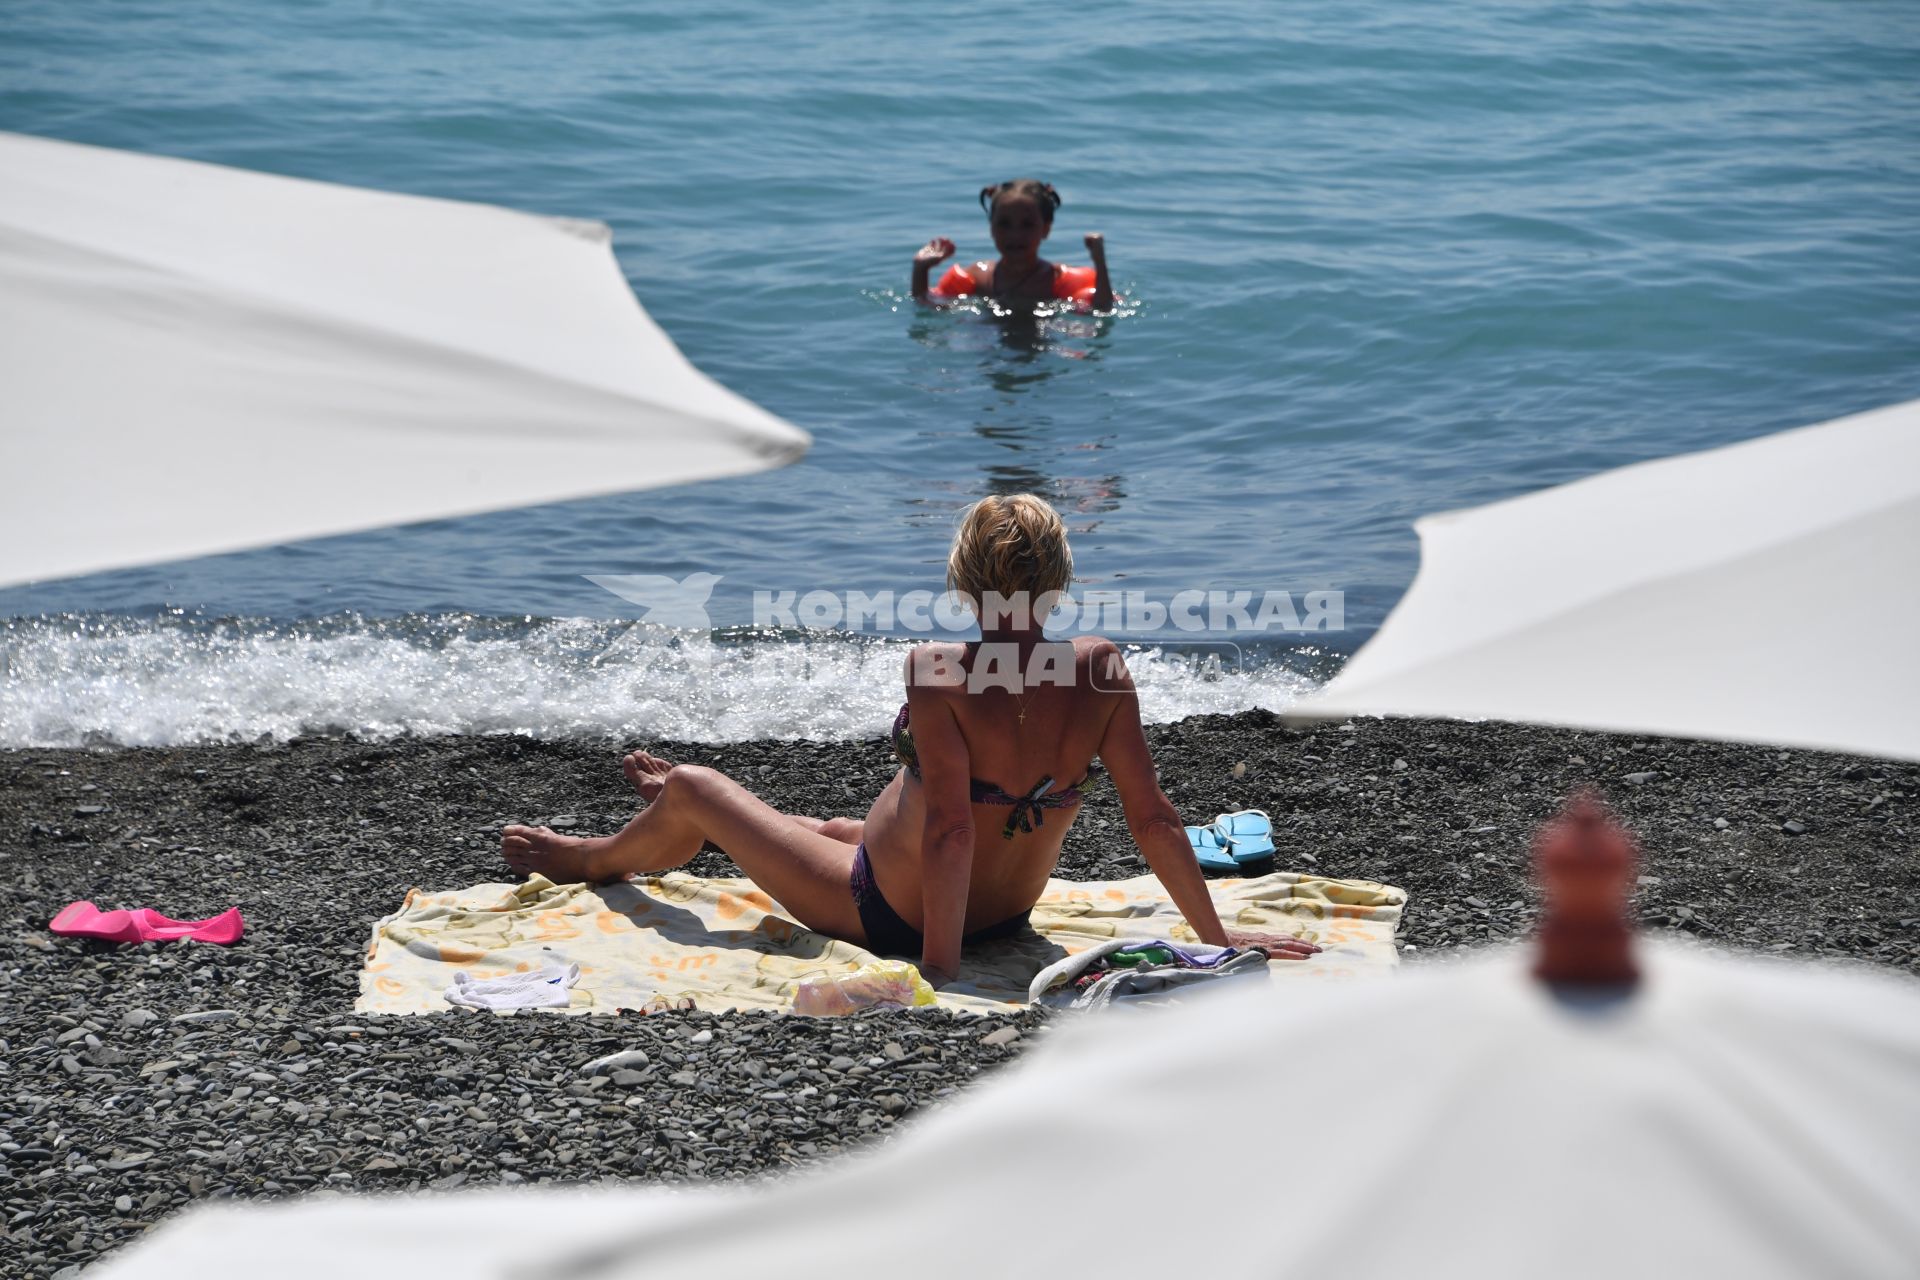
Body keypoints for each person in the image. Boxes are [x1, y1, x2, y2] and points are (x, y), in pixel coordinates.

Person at [500, 495, 1315, 985]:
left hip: (896, 913)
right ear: (1062, 580)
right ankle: (745, 828)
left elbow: (956, 825)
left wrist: (941, 973)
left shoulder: (938, 670)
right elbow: (1155, 822)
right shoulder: (1100, 669)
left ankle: (597, 854)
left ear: (960, 579)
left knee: (697, 785)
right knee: (829, 831)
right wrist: (1218, 938)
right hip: (1006, 912)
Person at [911, 179, 1115, 312]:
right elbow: (928, 306)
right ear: (991, 228)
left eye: (1027, 225)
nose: (1015, 235)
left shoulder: (1058, 282)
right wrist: (921, 270)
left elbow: (1102, 309)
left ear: (1045, 229)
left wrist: (1100, 263)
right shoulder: (977, 279)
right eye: (1004, 224)